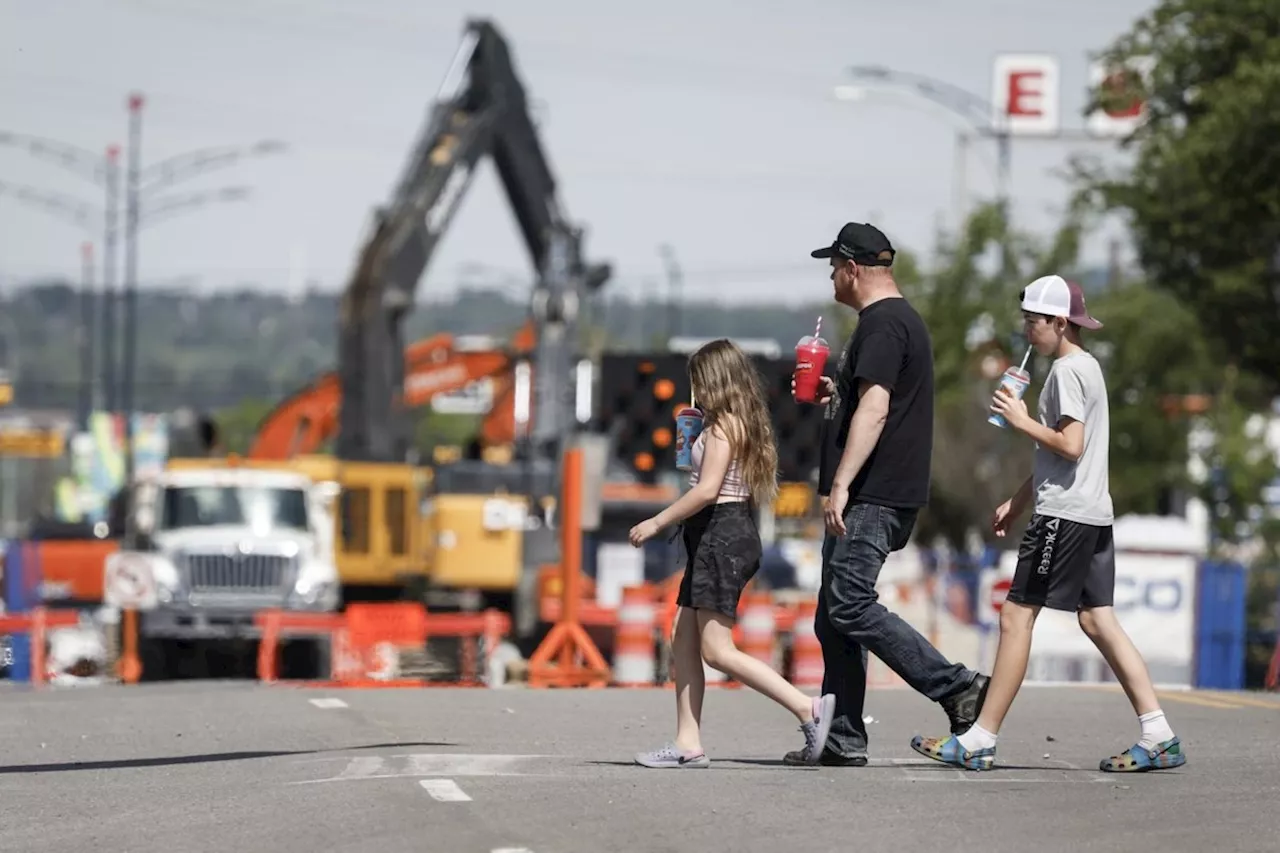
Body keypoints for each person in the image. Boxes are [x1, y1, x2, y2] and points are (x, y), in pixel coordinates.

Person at [910, 275, 1186, 772]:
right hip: (1091, 511)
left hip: (1065, 515)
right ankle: (1159, 733)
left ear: (1060, 323)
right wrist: (1017, 501)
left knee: (1017, 616)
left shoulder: (1065, 372)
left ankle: (979, 739)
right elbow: (1060, 455)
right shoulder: (1086, 367)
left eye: (1033, 322)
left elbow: (1070, 444)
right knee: (1096, 618)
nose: (1026, 331)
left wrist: (1018, 420)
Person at [789, 222, 989, 767]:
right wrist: (837, 391)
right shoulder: (894, 324)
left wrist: (841, 485)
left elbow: (877, 410)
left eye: (833, 265)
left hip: (873, 494)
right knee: (833, 616)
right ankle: (843, 737)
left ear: (854, 268)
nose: (831, 275)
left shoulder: (882, 326)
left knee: (849, 604)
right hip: (877, 492)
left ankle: (957, 687)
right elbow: (872, 400)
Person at [630, 338, 837, 768]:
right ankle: (688, 743)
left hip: (722, 534)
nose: (696, 391)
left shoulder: (725, 426)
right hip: (713, 534)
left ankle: (808, 708)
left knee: (717, 650)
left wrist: (656, 522)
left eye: (699, 382)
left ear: (716, 380)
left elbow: (708, 491)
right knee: (682, 637)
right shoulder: (722, 423)